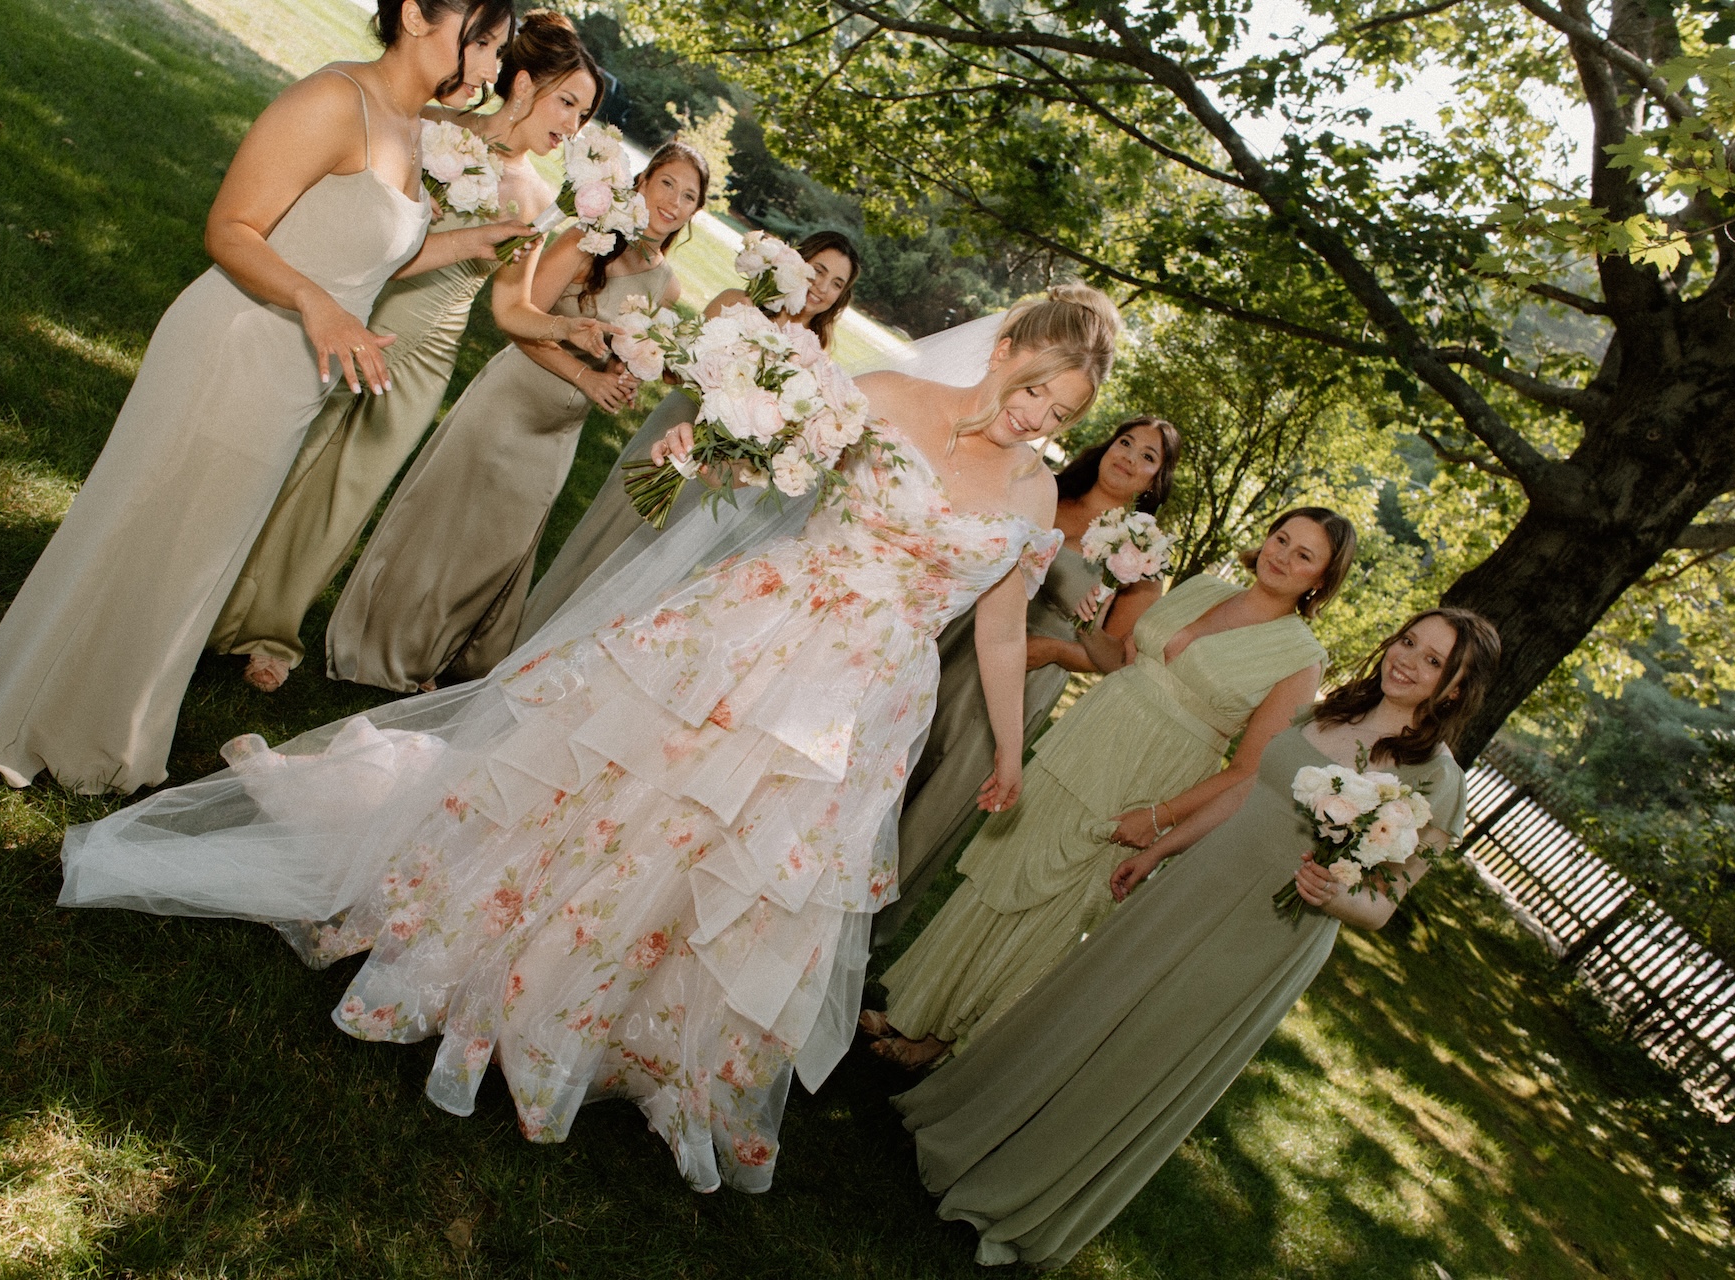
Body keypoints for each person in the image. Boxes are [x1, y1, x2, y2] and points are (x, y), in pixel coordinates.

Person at [56, 283, 1125, 1192]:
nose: (1039, 418)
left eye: (1061, 409)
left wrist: (1008, 750)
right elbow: (768, 463)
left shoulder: (1036, 489)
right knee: (623, 797)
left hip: (859, 700)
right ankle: (493, 961)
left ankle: (618, 1027)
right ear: (1008, 351)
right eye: (1036, 389)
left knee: (734, 867)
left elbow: (992, 618)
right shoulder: (887, 396)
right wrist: (712, 444)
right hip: (753, 632)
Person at [0, 0, 530, 795]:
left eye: (496, 50)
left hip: (295, 372)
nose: (489, 67)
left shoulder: (416, 128)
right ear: (413, 15)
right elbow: (232, 229)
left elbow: (361, 258)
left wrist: (465, 244)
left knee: (197, 554)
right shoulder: (333, 100)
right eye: (480, 43)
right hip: (234, 346)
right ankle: (56, 710)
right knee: (153, 526)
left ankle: (113, 718)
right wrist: (318, 306)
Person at [891, 608, 1501, 1270]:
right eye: (1408, 640)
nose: (1407, 658)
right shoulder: (1332, 711)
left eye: (1433, 660)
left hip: (1267, 932)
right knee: (1091, 1002)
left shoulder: (1439, 782)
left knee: (1142, 1051)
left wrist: (1339, 894)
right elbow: (1247, 795)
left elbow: (1386, 901)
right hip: (1197, 883)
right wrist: (1161, 850)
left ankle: (1026, 1192)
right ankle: (979, 1126)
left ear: (1459, 686)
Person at [865, 507, 1357, 1066]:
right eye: (1282, 538)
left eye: (1303, 555)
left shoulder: (1301, 659)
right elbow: (1120, 661)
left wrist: (1158, 818)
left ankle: (952, 1044)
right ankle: (916, 1009)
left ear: (1322, 578)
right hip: (1089, 738)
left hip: (1152, 778)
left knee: (1059, 904)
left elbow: (1247, 772)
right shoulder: (1201, 588)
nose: (1282, 556)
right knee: (1001, 874)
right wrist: (1089, 626)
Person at [210, 11, 609, 693]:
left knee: (346, 492)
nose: (571, 126)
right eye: (566, 102)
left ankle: (272, 627)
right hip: (355, 311)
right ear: (521, 83)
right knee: (287, 455)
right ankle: (213, 596)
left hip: (424, 356)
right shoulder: (427, 130)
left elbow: (509, 307)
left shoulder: (540, 202)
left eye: (583, 115)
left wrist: (563, 329)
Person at [324, 141, 708, 693]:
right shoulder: (587, 239)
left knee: (495, 552)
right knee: (445, 525)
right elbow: (519, 320)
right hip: (511, 402)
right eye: (667, 183)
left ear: (695, 213)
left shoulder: (666, 284)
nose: (674, 201)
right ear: (643, 181)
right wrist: (586, 377)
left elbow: (626, 352)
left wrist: (625, 377)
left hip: (561, 431)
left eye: (689, 195)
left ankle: (444, 656)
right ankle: (385, 647)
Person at [874, 416, 1181, 946]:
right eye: (1125, 442)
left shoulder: (1140, 562)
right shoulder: (1044, 490)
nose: (1129, 456)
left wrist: (1061, 646)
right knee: (888, 761)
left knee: (940, 798)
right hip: (959, 639)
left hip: (1026, 676)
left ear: (1155, 482)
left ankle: (868, 926)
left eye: (1148, 456)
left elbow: (1114, 661)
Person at [513, 231, 865, 646]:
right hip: (672, 433)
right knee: (606, 534)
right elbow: (680, 368)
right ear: (797, 263)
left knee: (643, 575)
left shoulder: (816, 359)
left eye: (837, 284)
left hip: (719, 471)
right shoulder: (740, 305)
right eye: (818, 271)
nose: (822, 288)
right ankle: (529, 640)